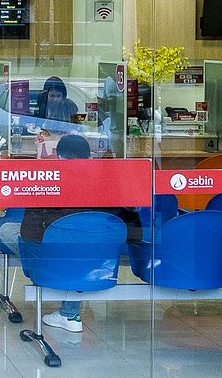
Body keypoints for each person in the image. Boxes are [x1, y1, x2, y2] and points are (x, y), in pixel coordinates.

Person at [16, 133, 142, 335]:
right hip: (103, 253)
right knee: (81, 242)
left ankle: (69, 312)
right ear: (90, 157)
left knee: (12, 232)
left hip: (60, 252)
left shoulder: (49, 185)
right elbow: (133, 231)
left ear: (59, 158)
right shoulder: (110, 183)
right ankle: (69, 310)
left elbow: (28, 233)